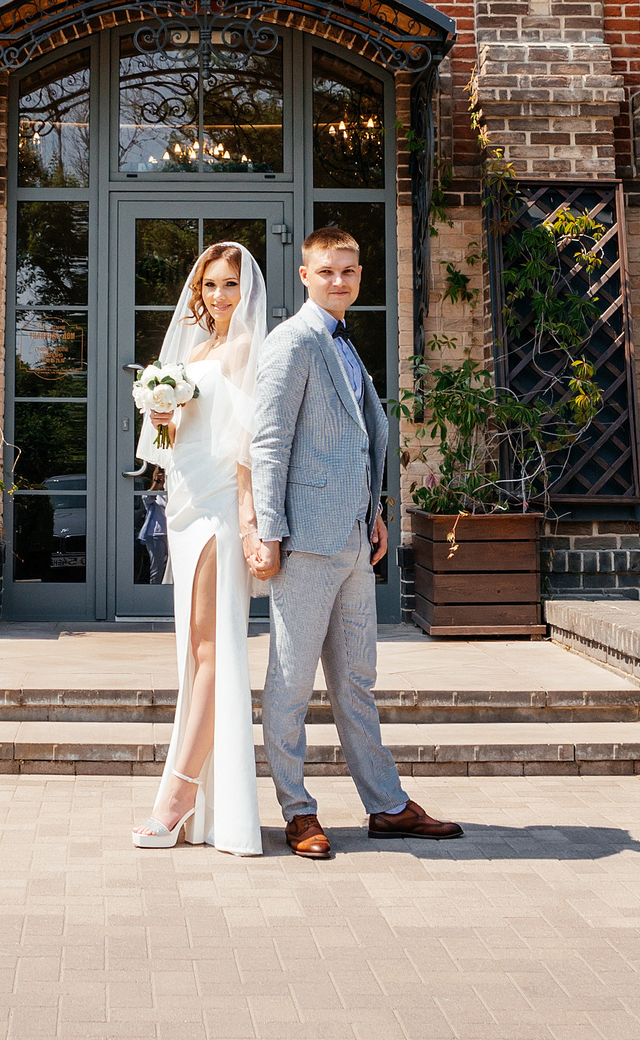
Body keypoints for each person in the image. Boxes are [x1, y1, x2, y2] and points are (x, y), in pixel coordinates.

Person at [245, 226, 464, 859]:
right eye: (327, 271)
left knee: (356, 683)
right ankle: (297, 811)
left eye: (349, 270)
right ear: (305, 277)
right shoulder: (293, 342)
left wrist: (375, 512)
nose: (339, 280)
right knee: (290, 684)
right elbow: (269, 444)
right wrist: (269, 532)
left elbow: (358, 442)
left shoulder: (346, 343)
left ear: (361, 275)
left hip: (353, 541)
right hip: (306, 543)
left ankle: (387, 806)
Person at [129, 242, 267, 855]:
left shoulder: (245, 349)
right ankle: (201, 806)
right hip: (184, 504)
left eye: (230, 284)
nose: (219, 295)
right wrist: (163, 414)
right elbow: (178, 437)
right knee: (192, 647)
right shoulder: (197, 350)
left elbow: (249, 439)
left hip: (218, 509)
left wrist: (248, 515)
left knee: (213, 648)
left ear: (246, 289)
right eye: (210, 285)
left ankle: (179, 797)